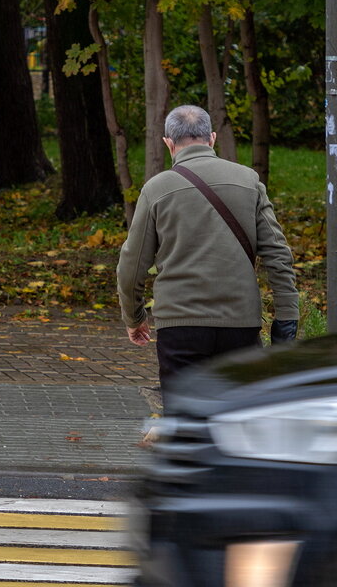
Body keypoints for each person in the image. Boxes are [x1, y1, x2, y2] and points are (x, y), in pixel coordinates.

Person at [118, 105, 299, 395]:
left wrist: (135, 317)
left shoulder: (157, 189)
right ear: (212, 138)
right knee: (237, 416)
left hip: (180, 324)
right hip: (240, 323)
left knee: (185, 417)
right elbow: (278, 254)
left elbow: (132, 263)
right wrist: (287, 314)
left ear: (168, 143)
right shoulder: (249, 180)